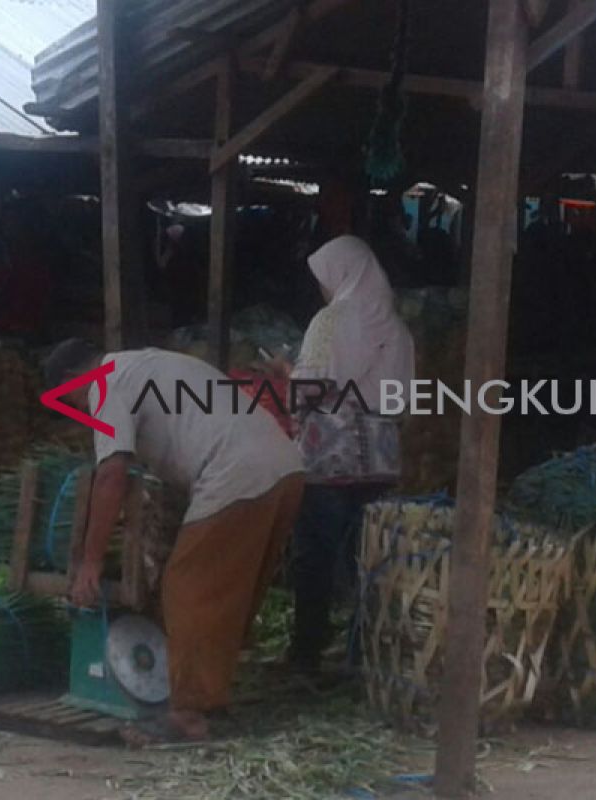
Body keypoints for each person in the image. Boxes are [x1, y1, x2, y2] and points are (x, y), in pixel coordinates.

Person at [43, 339, 304, 743]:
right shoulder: (147, 363)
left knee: (186, 586)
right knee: (230, 591)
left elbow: (111, 474)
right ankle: (211, 696)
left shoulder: (104, 384)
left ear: (71, 381)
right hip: (284, 468)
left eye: (73, 404)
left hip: (238, 472)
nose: (81, 414)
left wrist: (90, 562)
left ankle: (188, 714)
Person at [282, 235, 415, 673]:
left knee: (315, 559)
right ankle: (367, 657)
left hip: (330, 462)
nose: (321, 287)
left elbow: (311, 388)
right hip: (380, 461)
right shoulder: (397, 328)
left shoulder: (333, 319)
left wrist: (285, 376)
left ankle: (306, 656)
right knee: (369, 561)